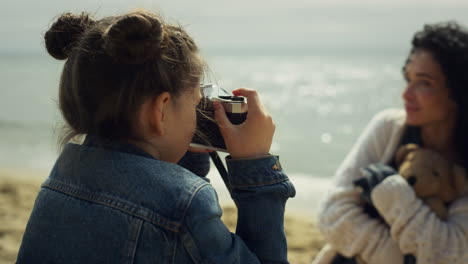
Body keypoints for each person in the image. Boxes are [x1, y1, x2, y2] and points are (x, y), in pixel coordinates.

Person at [16, 10, 295, 264]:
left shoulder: (61, 176)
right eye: (195, 103)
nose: (199, 115)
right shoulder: (184, 203)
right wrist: (255, 165)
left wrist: (185, 153)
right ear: (160, 110)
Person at [314, 22, 468, 264]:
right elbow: (332, 215)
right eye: (409, 79)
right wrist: (395, 257)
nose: (406, 94)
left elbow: (453, 253)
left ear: (458, 92)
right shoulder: (390, 128)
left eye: (424, 82)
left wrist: (394, 195)